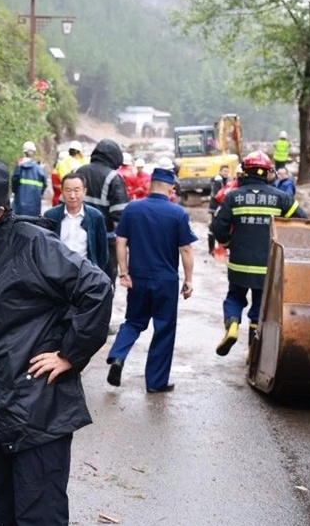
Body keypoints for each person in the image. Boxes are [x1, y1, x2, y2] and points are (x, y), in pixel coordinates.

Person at [0, 159, 113, 526]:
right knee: (7, 508)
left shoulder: (34, 244)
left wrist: (69, 354)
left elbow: (97, 288)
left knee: (39, 515)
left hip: (38, 406)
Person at [105, 166, 196, 392]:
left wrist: (124, 272)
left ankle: (118, 355)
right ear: (171, 188)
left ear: (149, 185)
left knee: (133, 322)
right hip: (165, 281)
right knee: (164, 329)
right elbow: (185, 249)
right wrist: (189, 280)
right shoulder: (177, 213)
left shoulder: (133, 208)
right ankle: (156, 382)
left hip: (139, 278)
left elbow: (120, 241)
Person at [211, 150, 307, 357]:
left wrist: (228, 243)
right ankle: (252, 352)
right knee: (259, 306)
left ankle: (233, 325)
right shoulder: (281, 198)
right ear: (268, 172)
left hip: (238, 262)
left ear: (245, 171)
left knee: (235, 297)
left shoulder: (233, 197)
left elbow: (217, 227)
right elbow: (302, 220)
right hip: (267, 265)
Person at [76, 138, 129, 286]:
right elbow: (121, 216)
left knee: (76, 281)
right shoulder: (113, 178)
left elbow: (62, 206)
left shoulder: (77, 172)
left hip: (75, 237)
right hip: (104, 241)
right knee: (103, 284)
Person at [43, 172, 109, 270]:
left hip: (86, 272)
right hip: (58, 271)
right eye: (68, 190)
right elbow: (44, 248)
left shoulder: (95, 217)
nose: (72, 196)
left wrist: (95, 272)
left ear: (84, 191)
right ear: (62, 191)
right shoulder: (50, 216)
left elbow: (102, 252)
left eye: (76, 190)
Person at [12, 140, 47, 216]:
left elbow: (14, 184)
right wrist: (39, 193)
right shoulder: (39, 169)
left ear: (24, 152)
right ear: (34, 152)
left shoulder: (19, 167)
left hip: (20, 205)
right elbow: (44, 184)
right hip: (35, 205)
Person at [207, 165, 230, 255]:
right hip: (215, 208)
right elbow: (217, 195)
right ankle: (212, 249)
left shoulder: (223, 180)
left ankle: (215, 248)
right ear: (220, 171)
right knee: (214, 227)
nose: (226, 173)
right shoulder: (218, 181)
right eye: (224, 171)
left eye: (227, 171)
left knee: (215, 227)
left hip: (217, 207)